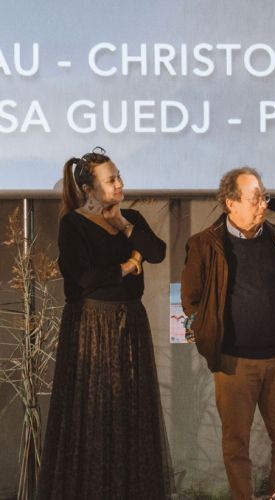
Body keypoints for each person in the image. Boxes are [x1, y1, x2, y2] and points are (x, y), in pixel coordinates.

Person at [37, 147, 174, 499]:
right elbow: (83, 278)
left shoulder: (131, 219)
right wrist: (128, 266)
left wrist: (125, 226)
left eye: (119, 176)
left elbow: (157, 252)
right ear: (89, 188)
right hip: (92, 328)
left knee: (130, 408)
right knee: (95, 409)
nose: (119, 184)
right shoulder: (74, 224)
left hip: (130, 323)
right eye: (111, 179)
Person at [181, 167, 275, 500]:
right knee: (236, 443)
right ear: (230, 202)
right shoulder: (205, 244)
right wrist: (207, 335)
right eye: (255, 198)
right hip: (234, 362)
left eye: (265, 197)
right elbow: (191, 299)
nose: (263, 204)